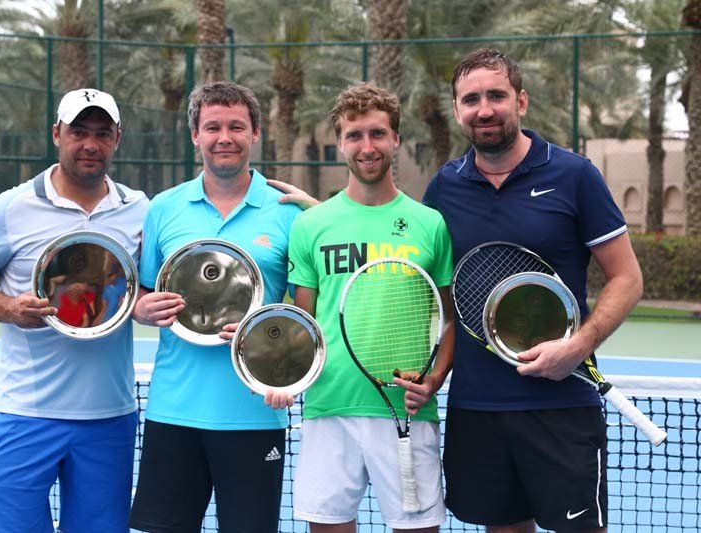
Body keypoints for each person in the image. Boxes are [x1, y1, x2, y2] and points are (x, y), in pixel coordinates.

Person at [421, 48, 643, 533]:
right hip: (477, 406)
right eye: (471, 99)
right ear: (457, 110)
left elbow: (627, 278)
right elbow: (416, 263)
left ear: (520, 101)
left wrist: (577, 347)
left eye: (496, 96)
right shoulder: (445, 187)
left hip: (563, 405)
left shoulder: (575, 175)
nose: (484, 109)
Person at [0, 88, 148, 533]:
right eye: (78, 132)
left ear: (117, 138)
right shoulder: (12, 206)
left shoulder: (140, 210)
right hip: (24, 415)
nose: (90, 144)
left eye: (102, 133)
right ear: (57, 134)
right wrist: (8, 307)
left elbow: (148, 288)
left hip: (109, 419)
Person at [128, 81, 311, 533]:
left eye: (236, 127)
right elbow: (142, 292)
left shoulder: (289, 212)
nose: (224, 137)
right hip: (173, 410)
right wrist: (142, 309)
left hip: (255, 413)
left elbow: (309, 313)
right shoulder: (164, 208)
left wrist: (289, 370)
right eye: (212, 127)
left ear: (255, 133)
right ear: (195, 135)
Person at [280, 82, 455, 533]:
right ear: (340, 143)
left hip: (406, 411)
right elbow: (304, 324)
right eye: (354, 135)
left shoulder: (430, 224)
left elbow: (447, 319)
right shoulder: (311, 226)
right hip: (329, 407)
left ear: (395, 138)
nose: (367, 146)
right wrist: (281, 376)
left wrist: (434, 379)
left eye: (377, 134)